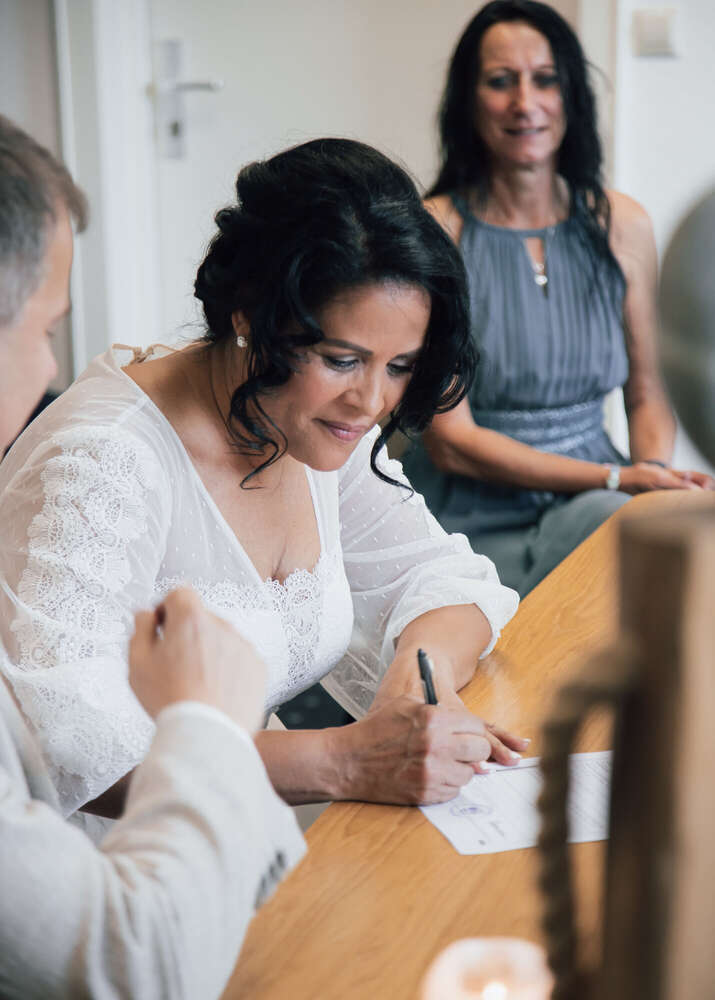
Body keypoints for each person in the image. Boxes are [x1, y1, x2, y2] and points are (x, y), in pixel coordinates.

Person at [0, 136, 524, 824]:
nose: (370, 403)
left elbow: (444, 580)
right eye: (342, 358)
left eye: (398, 366)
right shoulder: (102, 462)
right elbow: (73, 754)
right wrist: (349, 759)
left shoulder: (311, 423)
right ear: (251, 314)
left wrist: (411, 680)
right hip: (119, 869)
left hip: (254, 818)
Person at [0, 115, 305, 998]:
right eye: (47, 328)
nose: (54, 371)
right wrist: (204, 720)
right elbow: (138, 965)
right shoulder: (101, 454)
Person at [402, 0, 713, 597]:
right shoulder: (434, 230)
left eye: (544, 79)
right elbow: (453, 443)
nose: (526, 103)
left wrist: (652, 488)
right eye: (500, 82)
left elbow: (648, 395)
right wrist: (622, 478)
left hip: (600, 496)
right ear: (468, 100)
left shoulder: (623, 224)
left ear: (571, 93)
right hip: (467, 515)